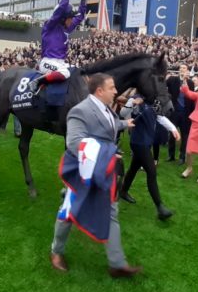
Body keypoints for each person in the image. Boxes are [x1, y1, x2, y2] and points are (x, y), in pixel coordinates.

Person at [50, 73, 142, 278]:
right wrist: (106, 153)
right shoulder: (79, 111)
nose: (116, 91)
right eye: (112, 88)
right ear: (99, 91)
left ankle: (117, 264)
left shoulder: (106, 109)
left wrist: (124, 124)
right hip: (82, 173)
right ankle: (56, 252)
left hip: (103, 170)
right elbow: (74, 142)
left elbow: (107, 126)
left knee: (111, 211)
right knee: (68, 213)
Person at [120, 94, 179, 220]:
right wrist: (133, 102)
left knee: (134, 168)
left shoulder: (152, 100)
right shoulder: (136, 98)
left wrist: (173, 129)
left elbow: (160, 117)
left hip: (145, 142)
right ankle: (160, 207)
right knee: (151, 172)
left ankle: (123, 191)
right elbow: (123, 112)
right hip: (138, 142)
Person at [28, 0, 87, 94]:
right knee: (65, 73)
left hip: (60, 63)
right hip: (47, 62)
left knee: (76, 71)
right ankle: (37, 82)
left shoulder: (67, 28)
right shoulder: (50, 26)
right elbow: (60, 9)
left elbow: (81, 16)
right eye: (69, 17)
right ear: (62, 18)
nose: (72, 20)